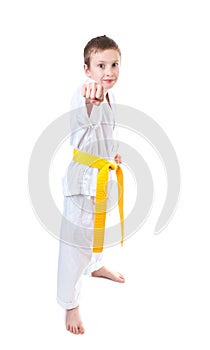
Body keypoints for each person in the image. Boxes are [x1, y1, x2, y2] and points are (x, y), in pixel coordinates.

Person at [57, 35, 125, 335]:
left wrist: (111, 152)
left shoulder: (110, 97)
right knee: (74, 245)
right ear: (87, 69)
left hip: (101, 178)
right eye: (100, 65)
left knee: (96, 230)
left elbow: (100, 133)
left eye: (114, 64)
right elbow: (86, 107)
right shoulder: (86, 93)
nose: (108, 72)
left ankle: (95, 265)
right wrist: (90, 98)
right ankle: (69, 303)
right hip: (82, 183)